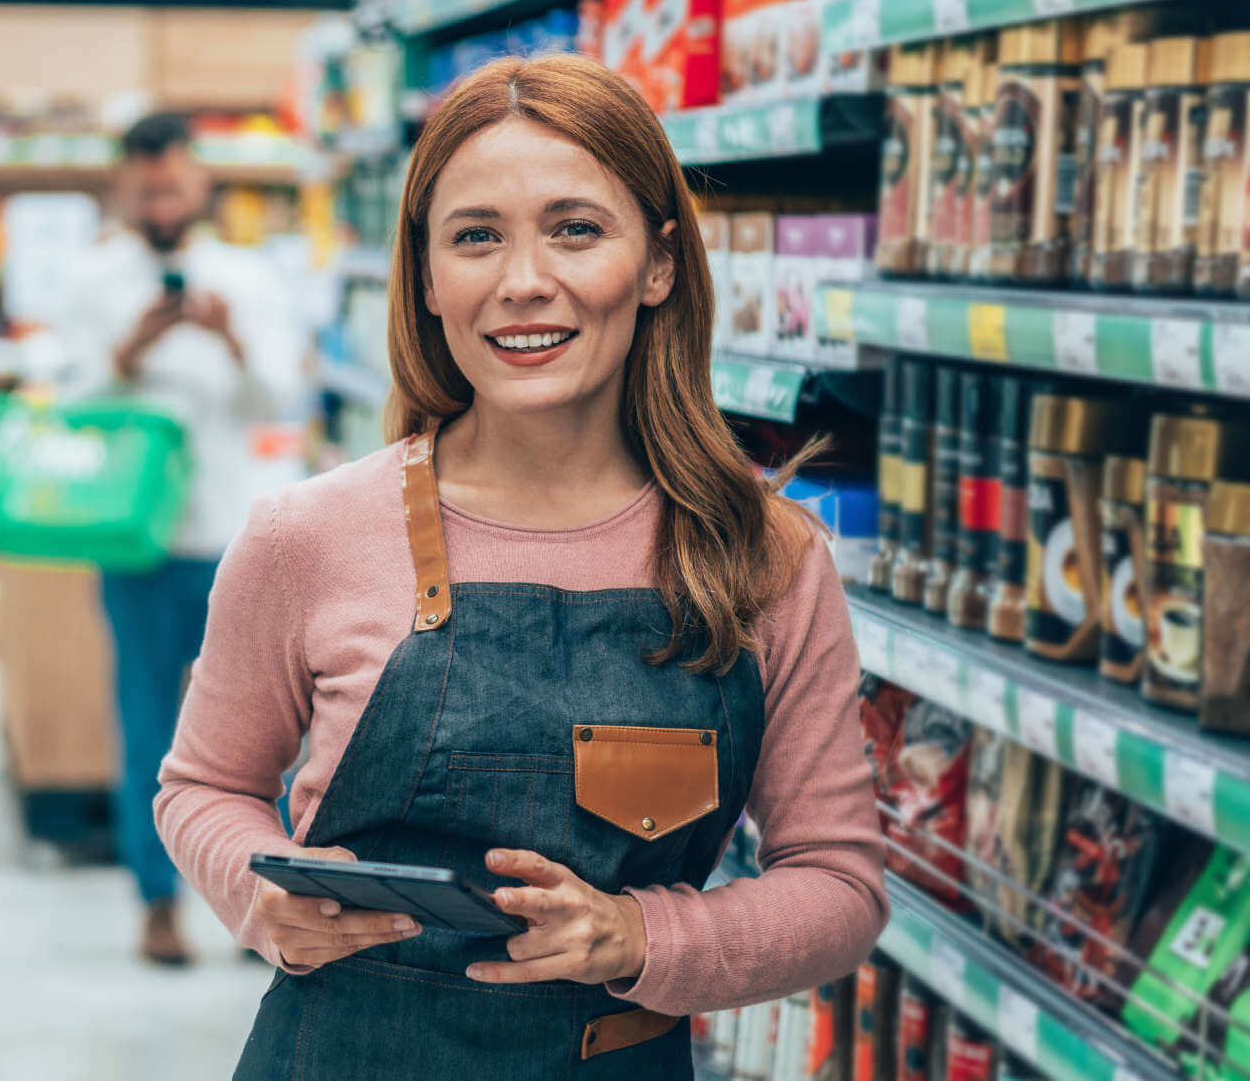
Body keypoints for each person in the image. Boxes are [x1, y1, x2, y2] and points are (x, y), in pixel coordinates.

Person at [155, 54, 890, 1079]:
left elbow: (839, 882)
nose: (521, 281)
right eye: (474, 238)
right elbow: (203, 783)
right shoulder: (305, 534)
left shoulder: (759, 554)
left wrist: (640, 937)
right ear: (423, 276)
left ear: (658, 263)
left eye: (574, 228)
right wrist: (257, 891)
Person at [52, 112, 309, 966]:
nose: (163, 198)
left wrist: (228, 337)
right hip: (134, 534)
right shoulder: (93, 282)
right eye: (148, 184)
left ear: (200, 182)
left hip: (235, 531)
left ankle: (256, 895)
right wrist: (132, 349)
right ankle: (155, 904)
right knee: (147, 720)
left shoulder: (249, 278)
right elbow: (73, 404)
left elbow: (276, 399)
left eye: (176, 182)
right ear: (126, 185)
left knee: (259, 725)